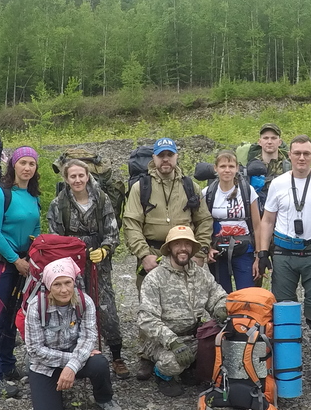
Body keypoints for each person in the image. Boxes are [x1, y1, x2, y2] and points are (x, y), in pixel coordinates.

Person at [256, 135, 311, 390]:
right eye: (297, 153)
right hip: (284, 252)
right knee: (282, 311)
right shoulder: (279, 183)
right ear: (289, 155)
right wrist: (263, 252)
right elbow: (267, 220)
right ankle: (284, 367)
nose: (302, 158)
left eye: (306, 153)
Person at [123, 137, 213, 380]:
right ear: (153, 158)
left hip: (185, 252)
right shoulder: (140, 187)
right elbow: (131, 223)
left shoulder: (189, 186)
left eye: (169, 155)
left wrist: (200, 252)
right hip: (153, 253)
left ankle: (187, 348)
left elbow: (204, 220)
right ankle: (146, 355)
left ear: (176, 157)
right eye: (161, 155)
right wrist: (143, 255)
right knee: (150, 306)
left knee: (185, 303)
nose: (165, 160)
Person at [47, 159, 129, 380]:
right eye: (72, 176)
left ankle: (116, 355)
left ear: (87, 176)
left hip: (99, 264)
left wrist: (105, 249)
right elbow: (55, 238)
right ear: (66, 178)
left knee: (106, 307)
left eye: (81, 175)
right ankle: (76, 354)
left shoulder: (102, 200)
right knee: (73, 306)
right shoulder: (58, 204)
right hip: (70, 266)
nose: (77, 180)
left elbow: (113, 232)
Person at [25, 257, 125, 410]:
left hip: (75, 356)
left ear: (74, 282)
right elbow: (34, 350)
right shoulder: (36, 308)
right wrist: (72, 361)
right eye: (57, 285)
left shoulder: (85, 302)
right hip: (44, 364)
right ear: (48, 285)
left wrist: (71, 366)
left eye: (67, 283)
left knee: (99, 362)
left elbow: (89, 337)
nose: (64, 290)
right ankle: (48, 384)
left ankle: (104, 398)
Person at [137, 225, 227, 397]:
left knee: (224, 347)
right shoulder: (154, 278)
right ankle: (162, 375)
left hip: (193, 335)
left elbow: (218, 295)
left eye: (187, 244)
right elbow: (146, 319)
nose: (183, 248)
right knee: (172, 363)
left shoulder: (201, 274)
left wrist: (221, 308)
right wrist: (173, 342)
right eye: (177, 244)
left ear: (193, 248)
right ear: (169, 247)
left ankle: (190, 366)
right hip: (162, 340)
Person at [0, 146, 41, 398]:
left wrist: (32, 255)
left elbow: (36, 228)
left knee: (11, 318)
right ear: (13, 165)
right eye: (23, 163)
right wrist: (16, 259)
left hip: (22, 264)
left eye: (32, 164)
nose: (27, 168)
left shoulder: (33, 196)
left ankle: (7, 365)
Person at [203, 150, 261, 293]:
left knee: (247, 294)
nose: (227, 170)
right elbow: (201, 224)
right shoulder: (208, 193)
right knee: (221, 295)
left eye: (231, 166)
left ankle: (244, 316)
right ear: (215, 168)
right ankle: (223, 316)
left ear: (237, 168)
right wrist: (207, 249)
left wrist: (259, 255)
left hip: (245, 250)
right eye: (223, 166)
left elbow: (258, 225)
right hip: (218, 251)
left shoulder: (247, 191)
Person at [247, 123, 291, 214]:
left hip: (283, 212)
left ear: (280, 142)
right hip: (258, 213)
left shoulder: (289, 166)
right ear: (259, 142)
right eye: (265, 138)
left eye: (274, 138)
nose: (269, 142)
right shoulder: (251, 166)